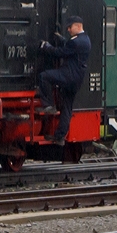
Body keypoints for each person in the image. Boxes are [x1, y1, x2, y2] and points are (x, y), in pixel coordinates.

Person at [37, 15, 91, 145]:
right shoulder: (86, 39)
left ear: (78, 26)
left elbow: (60, 53)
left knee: (44, 76)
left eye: (70, 27)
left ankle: (49, 105)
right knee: (67, 108)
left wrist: (46, 47)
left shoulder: (75, 42)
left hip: (68, 75)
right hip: (77, 79)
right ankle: (60, 137)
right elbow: (71, 48)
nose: (68, 29)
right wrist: (62, 39)